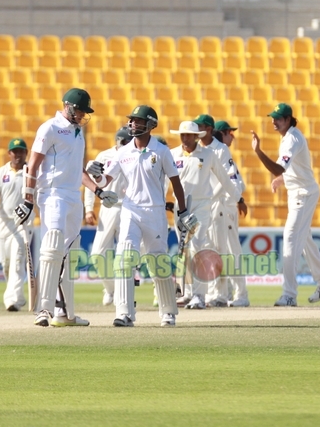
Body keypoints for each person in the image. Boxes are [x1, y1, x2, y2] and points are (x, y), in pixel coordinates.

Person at [17, 88, 118, 327]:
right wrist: (28, 200)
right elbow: (32, 165)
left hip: (73, 196)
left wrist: (98, 191)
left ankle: (66, 314)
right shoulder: (49, 128)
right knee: (52, 248)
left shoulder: (78, 132)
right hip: (52, 194)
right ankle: (43, 309)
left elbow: (79, 172)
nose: (83, 115)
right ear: (69, 106)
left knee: (69, 255)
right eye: (81, 110)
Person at [98, 105, 194, 327]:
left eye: (138, 121)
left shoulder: (161, 151)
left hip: (155, 211)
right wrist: (97, 176)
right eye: (132, 120)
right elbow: (105, 181)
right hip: (130, 211)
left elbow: (175, 182)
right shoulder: (123, 152)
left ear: (151, 125)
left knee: (157, 262)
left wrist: (183, 211)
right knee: (124, 259)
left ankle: (168, 312)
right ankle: (124, 313)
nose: (133, 124)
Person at [251, 103, 320, 306]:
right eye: (273, 118)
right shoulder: (289, 137)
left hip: (303, 195)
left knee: (291, 239)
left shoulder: (292, 139)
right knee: (305, 240)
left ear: (289, 119)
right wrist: (282, 180)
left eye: (278, 118)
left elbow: (278, 168)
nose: (274, 121)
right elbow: (293, 169)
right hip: (298, 193)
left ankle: (289, 294)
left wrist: (258, 151)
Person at [169, 120, 237, 309]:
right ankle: (188, 293)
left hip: (201, 205)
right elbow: (163, 180)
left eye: (188, 135)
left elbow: (223, 177)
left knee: (197, 245)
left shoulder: (208, 155)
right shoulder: (173, 154)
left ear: (196, 137)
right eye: (182, 135)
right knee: (185, 249)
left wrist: (237, 196)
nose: (184, 138)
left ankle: (199, 294)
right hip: (180, 207)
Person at [201, 118, 249, 307]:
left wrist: (236, 200)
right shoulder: (215, 150)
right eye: (230, 132)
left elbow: (235, 183)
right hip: (215, 206)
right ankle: (223, 294)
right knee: (217, 251)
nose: (233, 136)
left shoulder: (221, 151)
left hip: (224, 206)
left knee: (231, 251)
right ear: (222, 133)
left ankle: (240, 295)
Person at [84, 127, 132, 306]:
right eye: (121, 142)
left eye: (126, 142)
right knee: (97, 254)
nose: (123, 146)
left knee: (124, 255)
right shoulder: (104, 156)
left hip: (128, 208)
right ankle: (111, 289)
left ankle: (123, 293)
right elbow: (91, 182)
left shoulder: (135, 156)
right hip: (108, 207)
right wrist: (89, 208)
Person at [0, 137, 31, 312]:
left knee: (18, 262)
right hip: (4, 224)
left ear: (26, 153)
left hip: (22, 224)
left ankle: (11, 300)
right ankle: (18, 298)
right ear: (9, 153)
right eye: (15, 151)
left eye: (21, 151)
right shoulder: (0, 173)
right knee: (5, 263)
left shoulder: (30, 172)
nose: (18, 154)